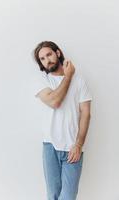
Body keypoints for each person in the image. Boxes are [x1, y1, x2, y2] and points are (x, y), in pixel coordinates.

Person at [33, 41, 92, 200]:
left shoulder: (79, 81)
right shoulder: (42, 80)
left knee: (68, 197)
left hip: (73, 147)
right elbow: (54, 102)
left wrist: (78, 144)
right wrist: (68, 76)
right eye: (42, 59)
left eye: (49, 54)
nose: (47, 60)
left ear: (58, 53)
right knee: (52, 195)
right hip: (50, 146)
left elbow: (86, 114)